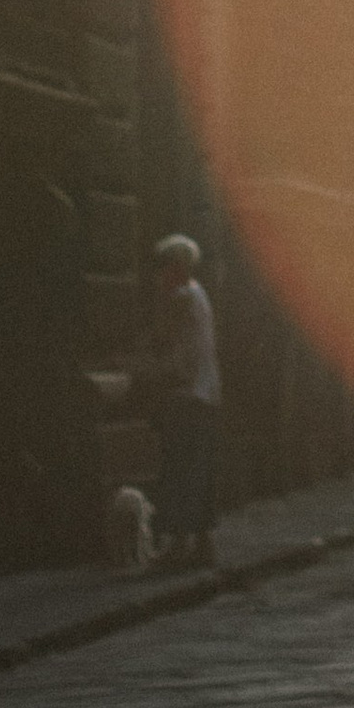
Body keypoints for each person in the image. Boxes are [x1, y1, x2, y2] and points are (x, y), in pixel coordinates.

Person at [146, 233, 221, 568]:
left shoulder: (179, 297)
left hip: (185, 394)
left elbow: (162, 337)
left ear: (175, 267)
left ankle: (178, 546)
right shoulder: (199, 292)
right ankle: (203, 544)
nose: (159, 272)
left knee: (178, 471)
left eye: (163, 266)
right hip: (206, 393)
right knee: (199, 471)